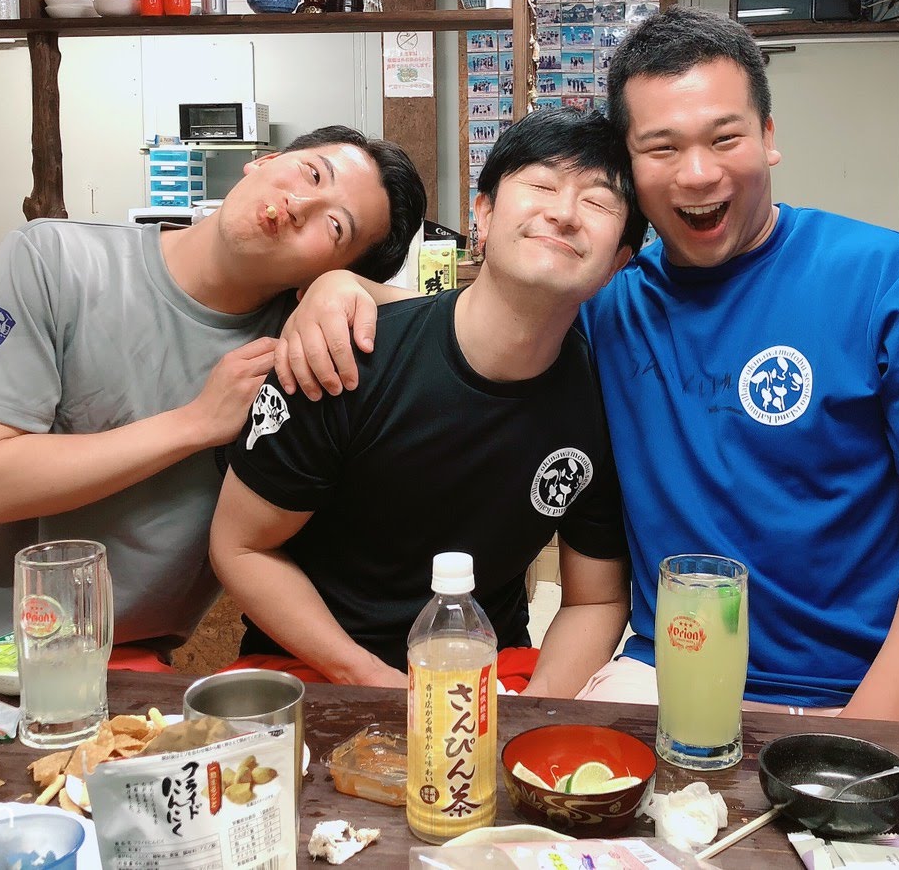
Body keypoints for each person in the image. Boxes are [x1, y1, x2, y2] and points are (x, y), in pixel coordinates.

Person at [271, 6, 899, 724]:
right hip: (662, 671)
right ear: (631, 170)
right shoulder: (610, 299)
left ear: (769, 136)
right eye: (662, 148)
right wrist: (343, 288)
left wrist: (861, 736)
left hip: (874, 692)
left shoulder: (893, 283)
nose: (697, 173)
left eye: (725, 138)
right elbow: (487, 313)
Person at [0, 126, 427, 669]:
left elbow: (452, 319)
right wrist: (196, 422)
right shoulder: (54, 259)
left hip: (112, 659)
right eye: (311, 173)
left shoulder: (302, 345)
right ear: (263, 161)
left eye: (334, 226)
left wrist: (345, 287)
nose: (300, 204)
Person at [210, 108, 642, 696]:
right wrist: (370, 680)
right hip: (317, 668)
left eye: (597, 202)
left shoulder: (604, 397)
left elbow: (597, 599)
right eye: (541, 185)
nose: (564, 213)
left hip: (489, 672)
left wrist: (530, 718)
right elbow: (241, 546)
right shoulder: (343, 353)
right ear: (483, 215)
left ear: (619, 261)